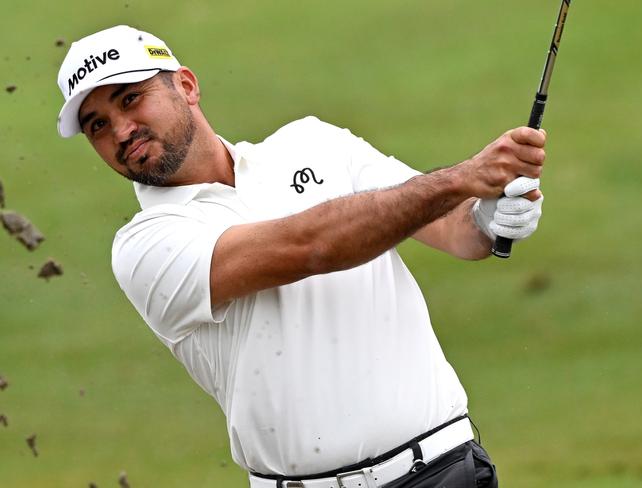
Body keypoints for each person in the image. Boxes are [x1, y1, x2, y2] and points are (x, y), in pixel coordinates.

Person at [56, 25, 545, 488]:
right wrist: (460, 179)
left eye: (130, 99)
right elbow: (311, 247)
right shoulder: (145, 247)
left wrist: (486, 217)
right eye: (98, 125)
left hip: (441, 471)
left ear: (185, 85)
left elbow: (450, 227)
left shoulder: (315, 143)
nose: (121, 131)